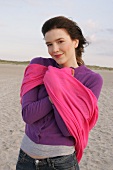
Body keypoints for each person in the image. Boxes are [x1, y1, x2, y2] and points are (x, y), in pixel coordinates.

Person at [16, 16, 103, 170]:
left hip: (61, 163)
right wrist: (55, 96)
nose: (54, 49)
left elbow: (68, 129)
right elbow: (28, 115)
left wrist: (57, 84)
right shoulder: (39, 66)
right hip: (26, 159)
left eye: (60, 41)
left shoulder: (91, 80)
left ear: (75, 42)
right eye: (49, 44)